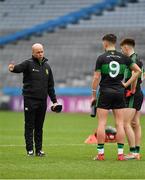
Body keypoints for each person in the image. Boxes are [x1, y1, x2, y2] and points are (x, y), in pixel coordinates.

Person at [91, 34, 141, 161]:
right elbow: (138, 71)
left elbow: (96, 77)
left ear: (105, 43)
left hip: (105, 92)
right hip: (119, 92)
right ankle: (120, 155)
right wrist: (126, 84)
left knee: (102, 123)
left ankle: (101, 154)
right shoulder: (124, 57)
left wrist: (93, 94)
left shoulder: (101, 58)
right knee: (120, 124)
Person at [8, 43, 61, 157]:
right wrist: (12, 68)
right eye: (38, 52)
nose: (40, 54)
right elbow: (18, 68)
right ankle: (30, 150)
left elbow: (50, 87)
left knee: (39, 126)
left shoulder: (47, 67)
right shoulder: (28, 63)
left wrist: (54, 101)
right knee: (29, 125)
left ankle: (39, 150)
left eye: (42, 51)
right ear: (33, 52)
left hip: (43, 101)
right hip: (30, 100)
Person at [120, 38, 145, 160]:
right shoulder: (138, 59)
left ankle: (132, 152)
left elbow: (136, 75)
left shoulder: (131, 60)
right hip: (139, 93)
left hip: (132, 93)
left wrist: (130, 88)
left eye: (121, 48)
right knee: (135, 123)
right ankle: (137, 151)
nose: (121, 51)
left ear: (126, 47)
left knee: (126, 124)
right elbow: (142, 75)